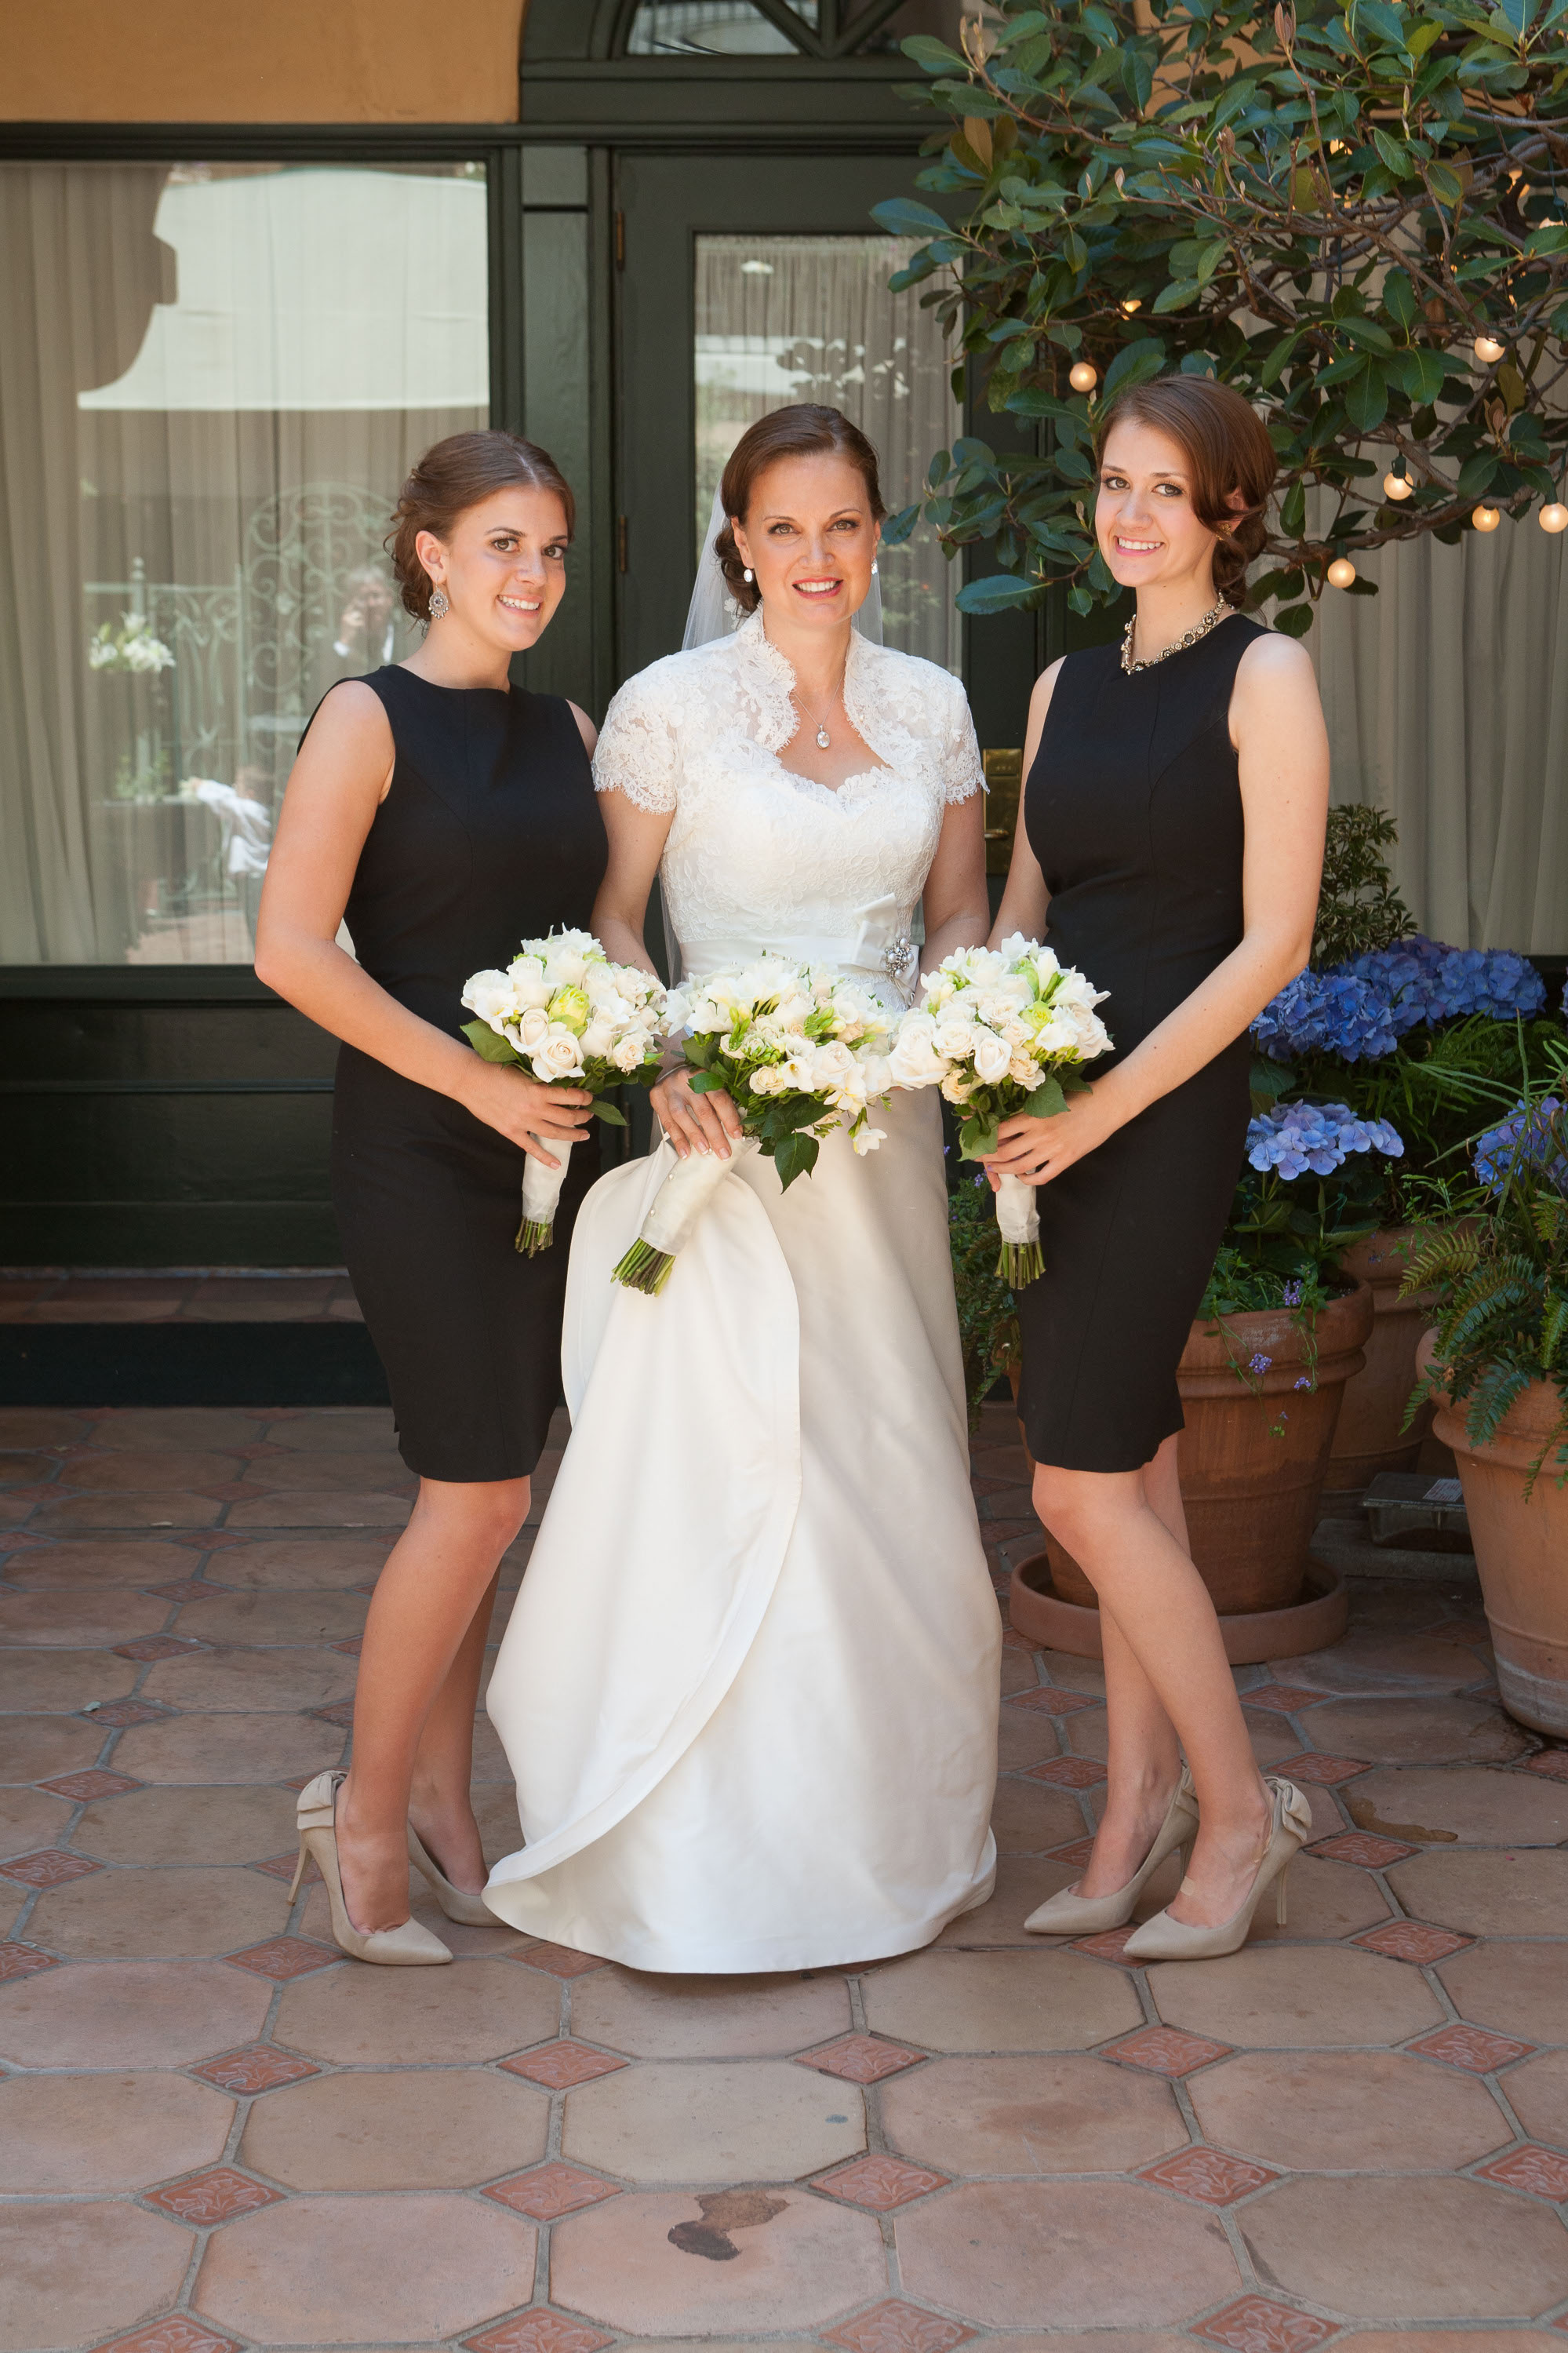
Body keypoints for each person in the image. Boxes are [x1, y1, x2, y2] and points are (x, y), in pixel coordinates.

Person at [482, 403, 1002, 1971]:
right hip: (717, 1139)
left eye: (844, 523)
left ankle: (884, 1832)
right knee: (723, 1470)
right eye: (784, 527)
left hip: (885, 1144)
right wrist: (664, 1062)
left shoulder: (932, 707)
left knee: (887, 1464)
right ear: (739, 541)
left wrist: (953, 1020)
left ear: (877, 533)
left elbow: (961, 909)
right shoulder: (669, 709)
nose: (816, 555)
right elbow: (616, 919)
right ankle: (701, 1846)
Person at [984, 374, 1330, 1961]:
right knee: (1129, 1476)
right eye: (1114, 484)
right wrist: (978, 1035)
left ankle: (1243, 1815)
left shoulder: (1266, 677)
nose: (1129, 515)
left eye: (1164, 492)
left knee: (1071, 1482)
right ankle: (1129, 1822)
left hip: (1158, 1111)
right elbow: (1024, 903)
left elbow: (1272, 944)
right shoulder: (1062, 682)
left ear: (1230, 514)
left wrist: (1101, 1106)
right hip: (1042, 1115)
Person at [254, 430, 606, 1965]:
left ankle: (449, 1811)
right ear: (431, 553)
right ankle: (367, 1813)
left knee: (490, 1498)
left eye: (551, 550)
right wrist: (471, 1083)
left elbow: (594, 932)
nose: (530, 574)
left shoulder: (570, 724)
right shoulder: (365, 716)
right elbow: (291, 947)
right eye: (502, 545)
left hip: (557, 1153)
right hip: (422, 1144)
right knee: (473, 1494)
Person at [186, 763, 273, 945]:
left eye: (238, 784)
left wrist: (202, 788)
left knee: (256, 922)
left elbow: (224, 800)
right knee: (253, 921)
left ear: (250, 793)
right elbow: (227, 794)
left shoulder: (250, 810)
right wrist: (206, 783)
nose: (234, 788)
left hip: (255, 877)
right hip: (250, 877)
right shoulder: (249, 808)